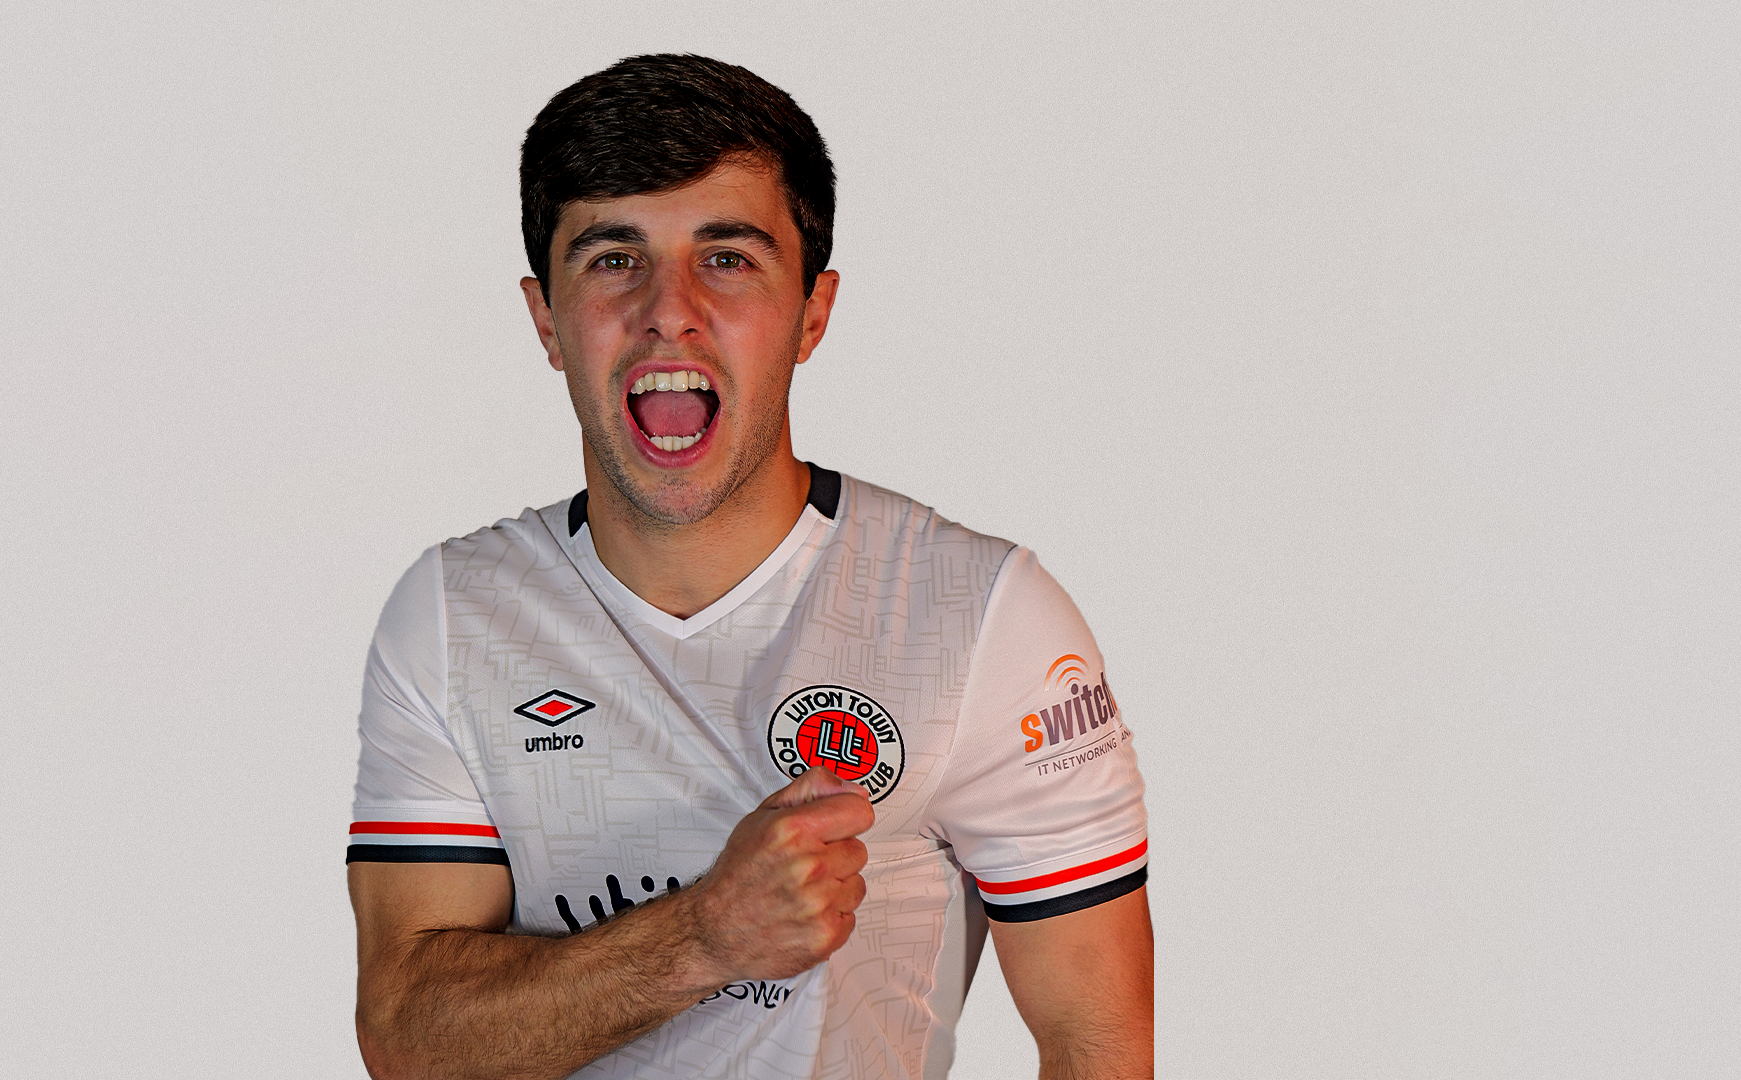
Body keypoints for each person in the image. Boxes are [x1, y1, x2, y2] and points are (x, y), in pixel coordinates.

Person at [345, 53, 1151, 1080]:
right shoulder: (457, 617)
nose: (668, 310)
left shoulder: (982, 614)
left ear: (813, 313)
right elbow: (408, 1037)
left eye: (726, 258)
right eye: (611, 258)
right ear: (546, 319)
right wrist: (706, 937)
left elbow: (1098, 1041)